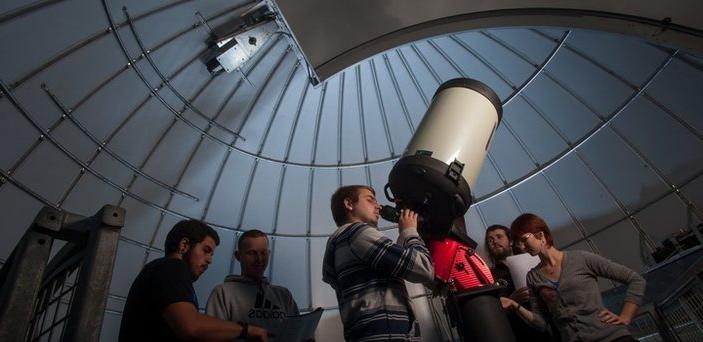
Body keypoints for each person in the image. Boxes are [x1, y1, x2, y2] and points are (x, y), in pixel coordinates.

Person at [500, 213, 646, 342]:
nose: (522, 247)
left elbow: (635, 280)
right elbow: (541, 323)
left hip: (613, 338)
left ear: (540, 235)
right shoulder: (533, 277)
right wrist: (515, 305)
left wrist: (626, 317)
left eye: (524, 240)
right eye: (518, 242)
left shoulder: (581, 258)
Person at [119, 219, 269, 341]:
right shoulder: (171, 268)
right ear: (184, 245)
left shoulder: (161, 271)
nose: (209, 260)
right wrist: (247, 330)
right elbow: (192, 327)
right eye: (206, 250)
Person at [322, 185, 434, 341]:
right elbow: (424, 268)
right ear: (349, 204)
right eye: (370, 200)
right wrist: (409, 231)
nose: (378, 206)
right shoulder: (357, 233)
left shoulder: (339, 244)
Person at [206, 229, 299, 334]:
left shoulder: (284, 295)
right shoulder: (222, 293)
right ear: (238, 256)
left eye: (263, 253)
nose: (259, 259)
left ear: (269, 254)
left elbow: (298, 333)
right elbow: (212, 334)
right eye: (252, 253)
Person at [484, 224, 555, 341]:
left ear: (511, 241)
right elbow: (491, 311)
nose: (494, 241)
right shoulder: (488, 275)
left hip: (551, 325)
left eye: (499, 237)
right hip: (520, 332)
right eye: (490, 240)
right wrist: (511, 300)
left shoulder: (533, 261)